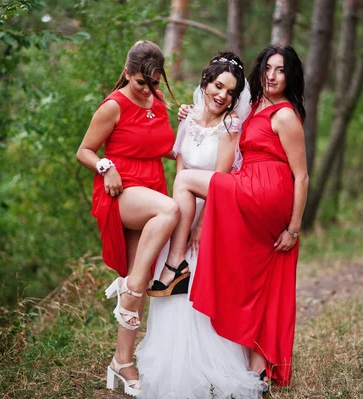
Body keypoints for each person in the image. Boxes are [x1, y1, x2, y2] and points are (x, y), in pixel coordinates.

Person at [153, 44, 309, 388]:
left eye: (280, 70)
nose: (271, 75)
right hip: (251, 186)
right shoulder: (254, 106)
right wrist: (187, 113)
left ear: (291, 75)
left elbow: (302, 175)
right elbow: (219, 117)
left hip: (264, 190)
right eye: (268, 68)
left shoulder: (284, 114)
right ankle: (257, 369)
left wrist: (294, 228)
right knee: (262, 276)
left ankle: (176, 263)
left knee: (187, 179)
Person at [136, 51, 267, 399]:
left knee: (199, 286)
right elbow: (180, 171)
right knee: (170, 295)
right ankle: (171, 366)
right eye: (218, 86)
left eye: (230, 91)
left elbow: (220, 182)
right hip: (183, 212)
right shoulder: (188, 118)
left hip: (213, 214)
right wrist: (182, 217)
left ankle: (209, 367)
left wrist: (200, 226)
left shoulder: (230, 127)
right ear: (205, 83)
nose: (222, 95)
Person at [76, 40, 179, 397]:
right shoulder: (113, 106)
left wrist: (193, 129)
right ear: (127, 72)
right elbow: (84, 151)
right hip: (120, 191)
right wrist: (106, 167)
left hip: (150, 186)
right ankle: (132, 287)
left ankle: (122, 361)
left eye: (153, 84)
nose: (147, 91)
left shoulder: (158, 103)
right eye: (140, 83)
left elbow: (162, 147)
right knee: (170, 210)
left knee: (140, 272)